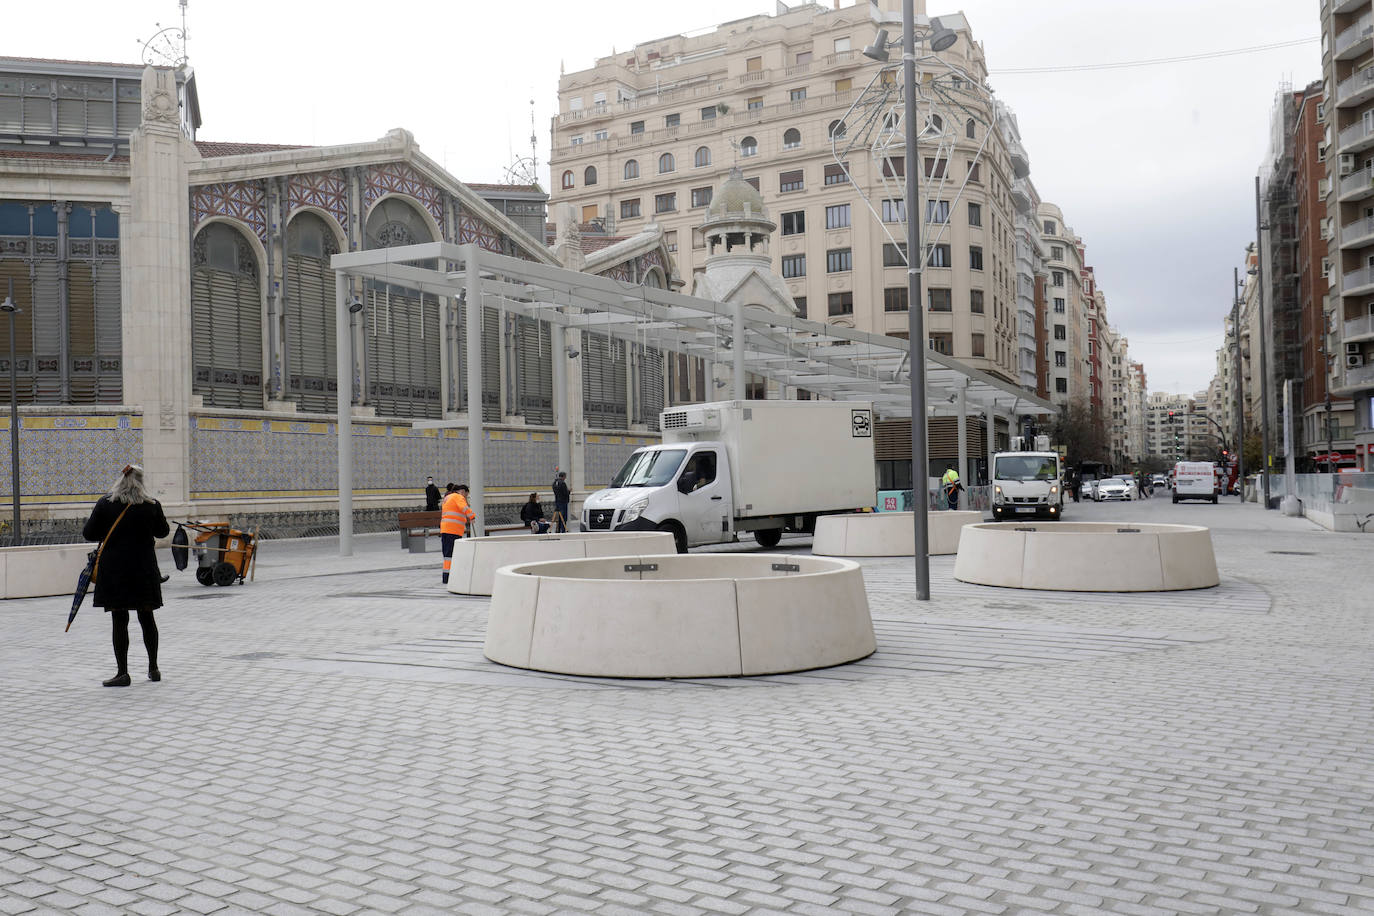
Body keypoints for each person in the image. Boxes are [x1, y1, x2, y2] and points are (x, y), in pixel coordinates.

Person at [82, 464, 170, 687]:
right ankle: (154, 668)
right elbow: (163, 531)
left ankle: (122, 672)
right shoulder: (152, 506)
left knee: (119, 620)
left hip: (115, 571)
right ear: (141, 481)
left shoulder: (106, 504)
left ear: (121, 480)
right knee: (147, 617)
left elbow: (89, 533)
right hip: (144, 570)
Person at [438, 483, 475, 585]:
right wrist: (472, 516)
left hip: (445, 529)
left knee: (447, 555)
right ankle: (450, 577)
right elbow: (464, 507)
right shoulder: (458, 497)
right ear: (462, 492)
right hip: (453, 530)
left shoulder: (448, 497)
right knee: (451, 554)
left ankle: (446, 577)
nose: (465, 498)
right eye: (466, 496)